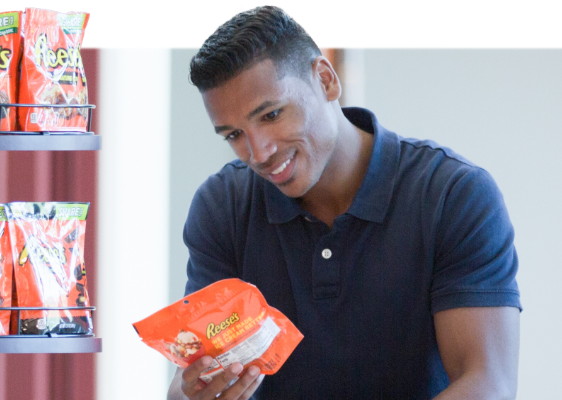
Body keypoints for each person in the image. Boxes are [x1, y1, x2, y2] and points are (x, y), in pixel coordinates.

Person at [169, 5, 521, 400]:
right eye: (234, 134)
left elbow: (488, 383)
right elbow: (186, 383)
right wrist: (197, 393)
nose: (258, 152)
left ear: (325, 79)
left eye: (271, 115)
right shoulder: (222, 207)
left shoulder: (454, 195)